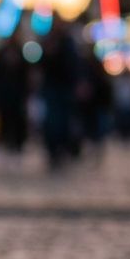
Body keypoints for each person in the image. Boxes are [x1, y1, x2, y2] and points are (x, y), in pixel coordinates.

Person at [38, 17, 80, 169]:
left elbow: (74, 64)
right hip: (52, 87)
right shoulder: (48, 41)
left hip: (64, 87)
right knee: (52, 121)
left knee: (64, 121)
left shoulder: (68, 42)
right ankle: (53, 150)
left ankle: (63, 149)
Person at [0, 36, 29, 157]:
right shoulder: (1, 55)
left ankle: (17, 145)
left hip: (17, 95)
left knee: (17, 120)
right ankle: (4, 143)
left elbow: (25, 77)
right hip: (3, 95)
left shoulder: (21, 55)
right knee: (4, 120)